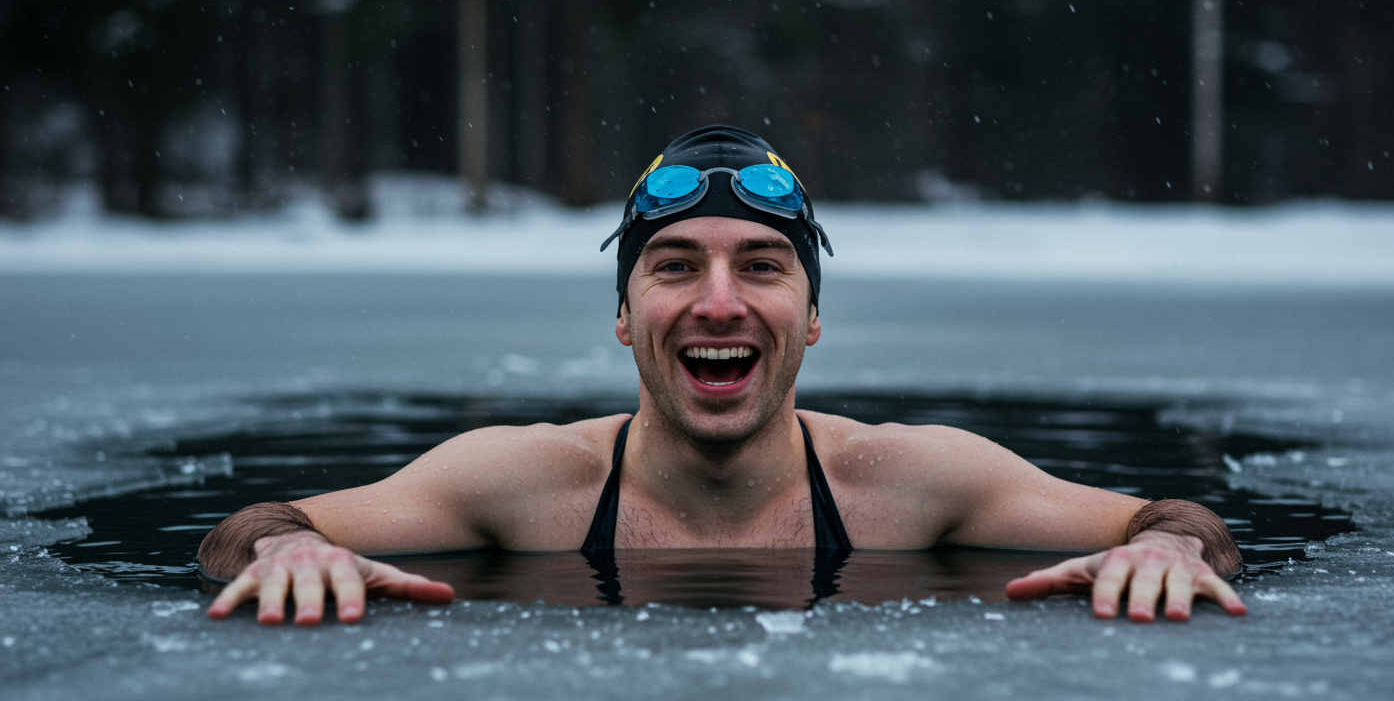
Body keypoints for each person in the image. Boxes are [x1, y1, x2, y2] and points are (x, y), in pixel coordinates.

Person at [199, 125, 1246, 625]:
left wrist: (1162, 548)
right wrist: (291, 548)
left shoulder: (914, 479)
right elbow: (251, 526)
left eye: (760, 265)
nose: (716, 302)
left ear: (813, 318)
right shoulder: (518, 483)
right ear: (622, 317)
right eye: (672, 266)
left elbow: (1168, 517)